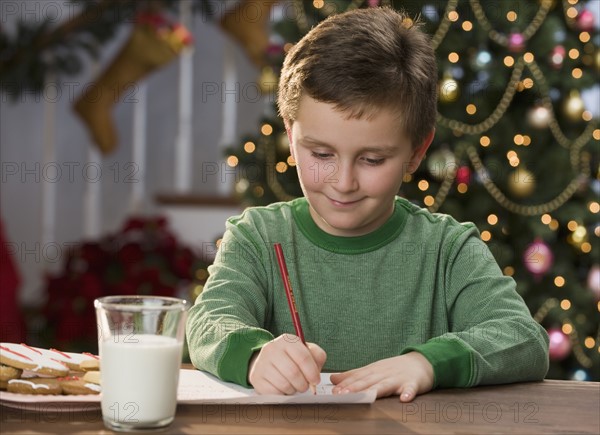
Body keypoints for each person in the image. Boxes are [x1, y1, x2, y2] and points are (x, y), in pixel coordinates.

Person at [186, 7, 549, 402]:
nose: (343, 183)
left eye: (372, 160)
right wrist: (255, 356)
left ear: (416, 152)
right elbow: (207, 322)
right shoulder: (258, 237)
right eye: (321, 154)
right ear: (291, 137)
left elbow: (522, 337)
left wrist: (426, 363)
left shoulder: (447, 248)